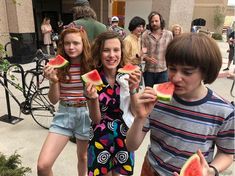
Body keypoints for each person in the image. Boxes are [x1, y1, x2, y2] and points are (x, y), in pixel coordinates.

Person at [126, 33, 235, 176]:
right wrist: (140, 118)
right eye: (172, 69)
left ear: (205, 72)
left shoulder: (224, 111)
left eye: (187, 72)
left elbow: (227, 153)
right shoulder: (155, 100)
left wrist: (211, 170)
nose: (176, 78)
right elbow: (130, 145)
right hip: (151, 170)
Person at [84, 31, 141, 176]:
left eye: (116, 50)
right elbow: (96, 119)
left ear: (121, 52)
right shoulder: (93, 79)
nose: (111, 55)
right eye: (106, 50)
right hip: (100, 137)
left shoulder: (128, 76)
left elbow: (135, 113)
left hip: (124, 135)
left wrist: (133, 90)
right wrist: (93, 98)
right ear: (99, 52)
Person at [37, 27, 92, 176]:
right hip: (64, 114)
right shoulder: (58, 66)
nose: (71, 47)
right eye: (67, 43)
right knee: (43, 166)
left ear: (83, 44)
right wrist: (54, 81)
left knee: (83, 157)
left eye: (75, 43)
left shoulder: (92, 65)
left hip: (87, 115)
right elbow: (53, 100)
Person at [142, 11, 173, 87]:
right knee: (149, 95)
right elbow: (143, 51)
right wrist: (147, 58)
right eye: (152, 21)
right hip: (149, 71)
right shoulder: (145, 35)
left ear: (161, 21)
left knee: (161, 97)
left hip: (163, 71)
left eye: (156, 21)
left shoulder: (168, 34)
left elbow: (172, 51)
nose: (154, 23)